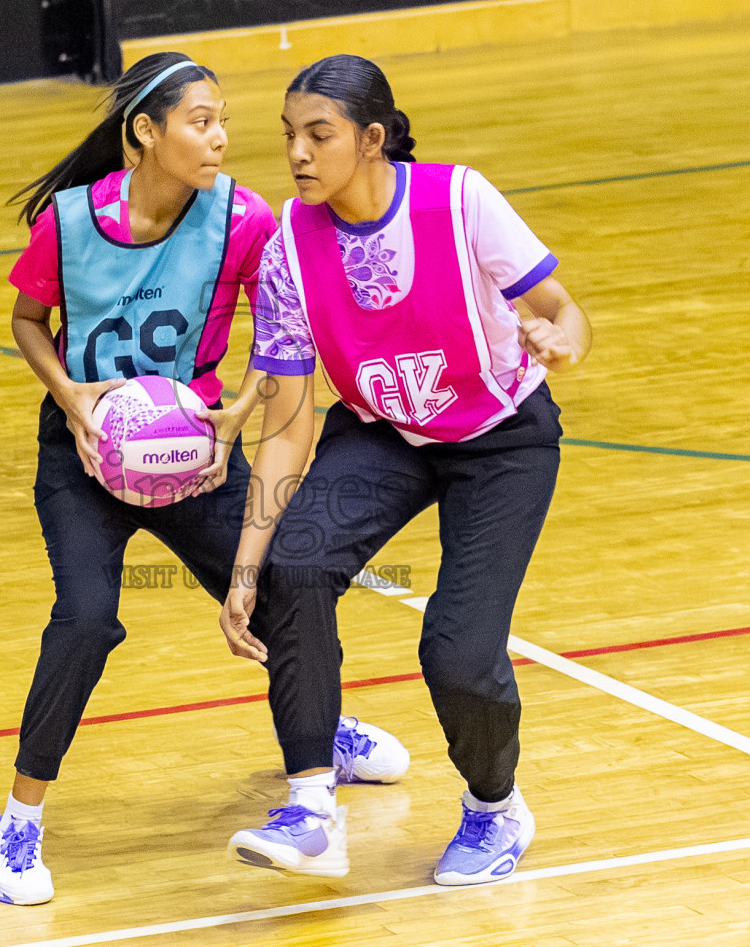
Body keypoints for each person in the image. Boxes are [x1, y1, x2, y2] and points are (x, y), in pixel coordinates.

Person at [0, 52, 410, 906]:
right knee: (86, 620)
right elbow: (29, 319)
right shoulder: (69, 223)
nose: (221, 139)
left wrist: (239, 411)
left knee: (285, 590)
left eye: (223, 122)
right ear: (147, 132)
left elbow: (282, 321)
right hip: (85, 457)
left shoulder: (242, 219)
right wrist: (69, 395)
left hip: (195, 451)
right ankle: (16, 824)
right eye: (201, 121)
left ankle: (320, 733)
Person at [221, 54, 591, 885]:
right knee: (295, 567)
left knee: (457, 652)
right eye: (289, 135)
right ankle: (312, 812)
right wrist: (247, 565)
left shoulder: (459, 201)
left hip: (500, 439)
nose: (298, 153)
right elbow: (287, 423)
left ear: (372, 138)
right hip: (386, 433)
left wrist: (562, 342)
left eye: (319, 135)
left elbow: (563, 309)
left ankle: (495, 808)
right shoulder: (288, 249)